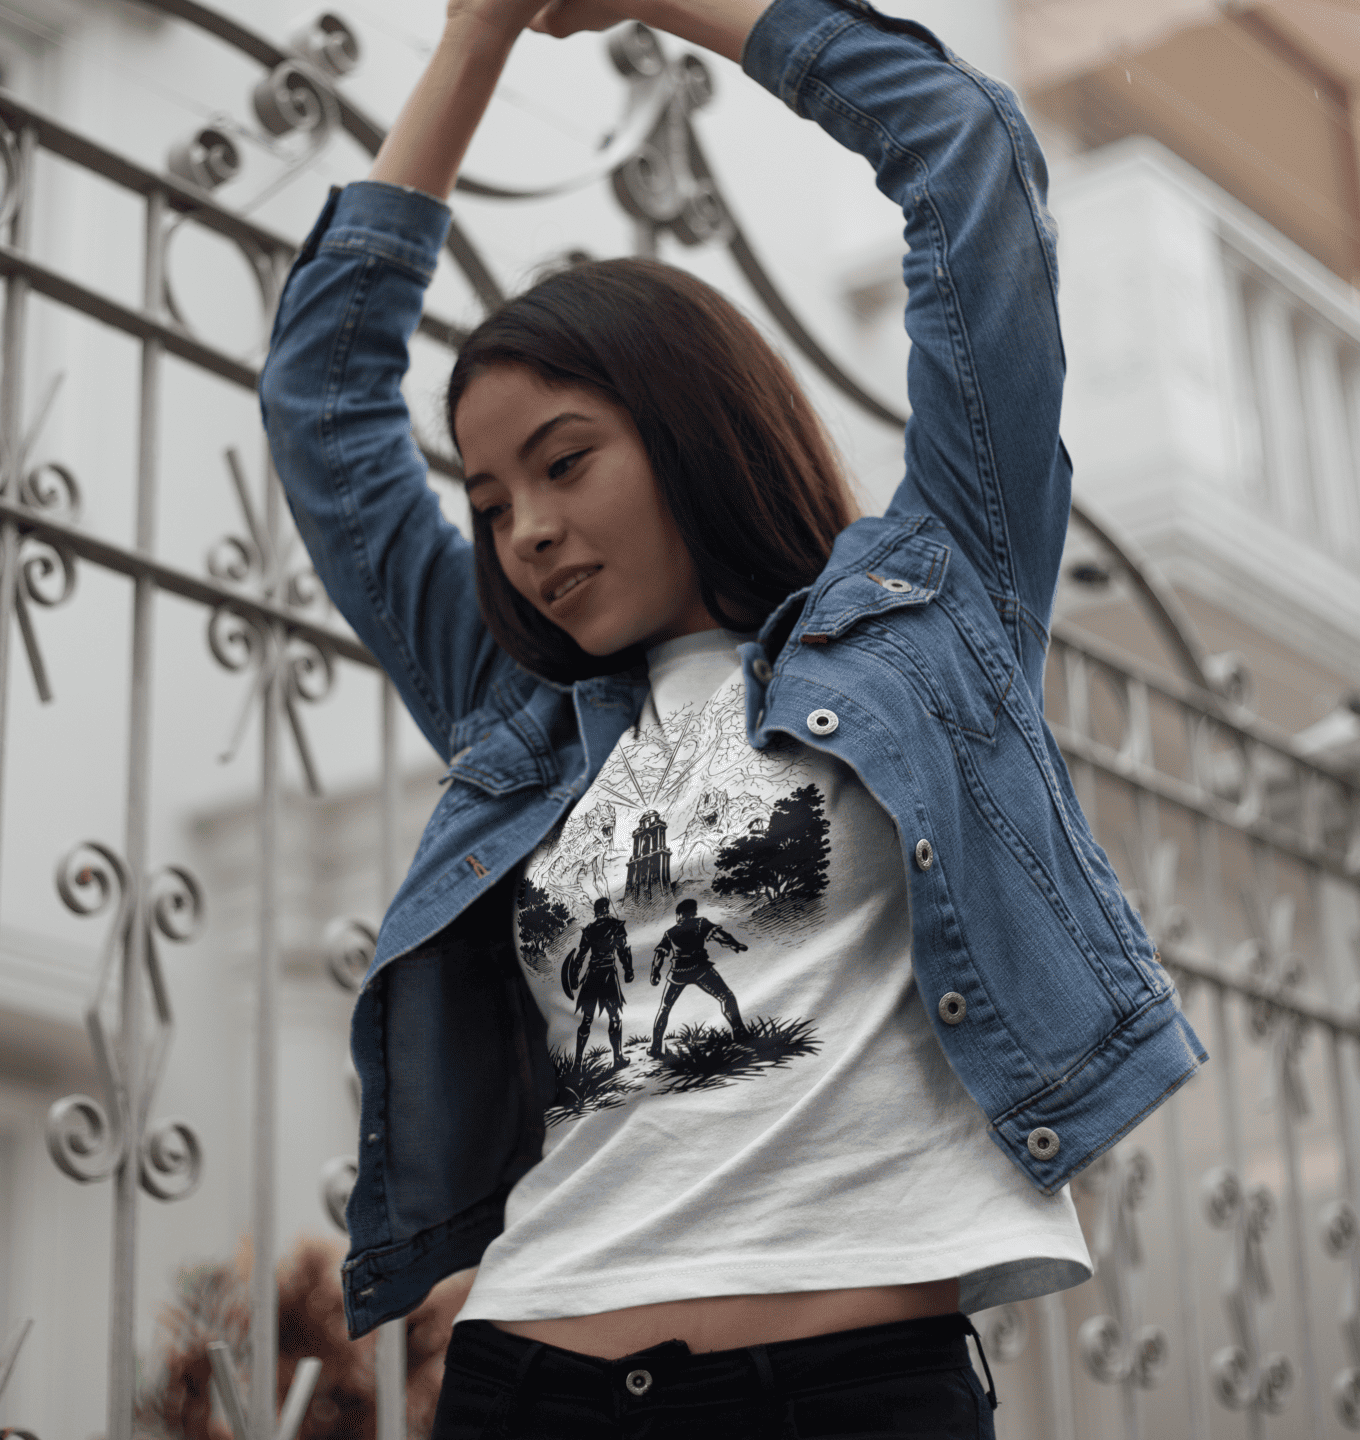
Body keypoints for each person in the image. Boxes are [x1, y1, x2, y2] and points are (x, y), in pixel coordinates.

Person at [258, 0, 1209, 1432]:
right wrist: (476, 37)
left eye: (565, 462)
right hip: (533, 1382)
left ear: (690, 427)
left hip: (851, 1391)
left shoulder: (932, 615)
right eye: (492, 502)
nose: (526, 532)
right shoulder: (520, 714)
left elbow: (962, 150)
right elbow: (323, 406)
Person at [650, 897, 749, 1057]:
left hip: (678, 973)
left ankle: (655, 1047)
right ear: (693, 912)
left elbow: (659, 954)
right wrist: (734, 944)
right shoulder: (700, 923)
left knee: (665, 1008)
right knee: (726, 996)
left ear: (680, 914)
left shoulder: (670, 932)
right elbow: (719, 935)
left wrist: (655, 972)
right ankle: (740, 1033)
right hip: (700, 969)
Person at [565, 896, 634, 1070]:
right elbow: (622, 950)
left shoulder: (589, 929)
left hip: (592, 975)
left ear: (596, 911)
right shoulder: (616, 925)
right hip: (608, 974)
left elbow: (581, 956)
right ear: (607, 909)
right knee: (614, 1017)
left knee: (586, 1019)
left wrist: (574, 977)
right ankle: (617, 1058)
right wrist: (628, 970)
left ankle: (578, 1064)